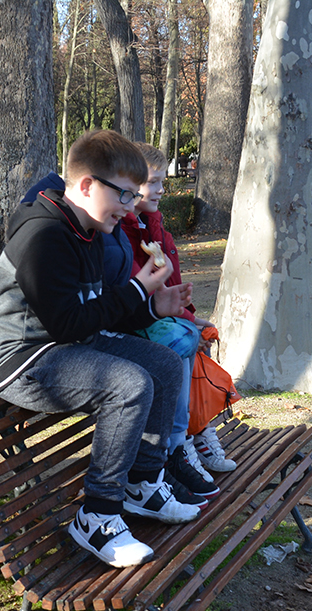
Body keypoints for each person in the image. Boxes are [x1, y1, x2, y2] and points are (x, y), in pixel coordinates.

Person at [0, 129, 197, 569]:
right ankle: (97, 514)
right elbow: (67, 323)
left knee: (165, 364)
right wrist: (137, 289)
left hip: (65, 345)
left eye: (134, 195)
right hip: (19, 358)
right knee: (128, 385)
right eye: (124, 194)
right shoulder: (44, 234)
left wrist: (152, 307)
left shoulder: (89, 229)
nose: (130, 206)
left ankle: (142, 483)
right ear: (86, 185)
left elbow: (95, 313)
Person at [120, 142, 237, 481]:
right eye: (153, 182)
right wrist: (188, 322)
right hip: (141, 326)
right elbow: (146, 291)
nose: (161, 189)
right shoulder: (124, 232)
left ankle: (196, 431)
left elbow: (171, 284)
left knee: (195, 341)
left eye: (161, 182)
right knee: (183, 342)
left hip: (164, 318)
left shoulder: (152, 228)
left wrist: (192, 317)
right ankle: (179, 442)